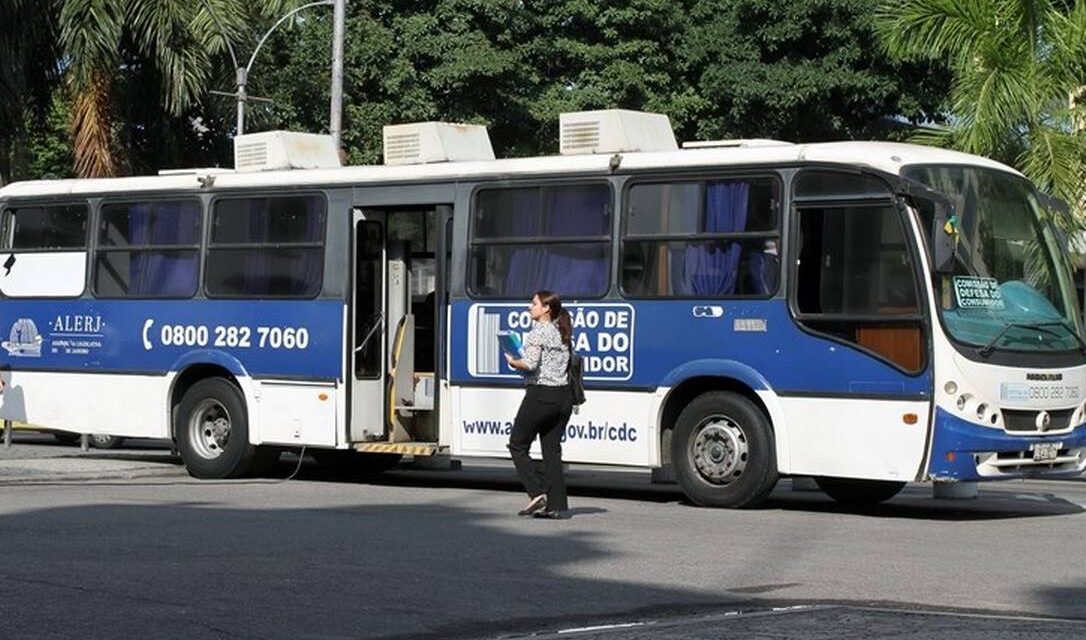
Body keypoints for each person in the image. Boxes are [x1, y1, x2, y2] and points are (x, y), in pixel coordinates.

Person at [504, 290, 573, 519]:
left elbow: (531, 364)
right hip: (563, 398)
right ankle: (556, 506)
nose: (528, 307)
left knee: (517, 444)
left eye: (533, 303)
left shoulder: (537, 333)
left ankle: (537, 492)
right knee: (552, 452)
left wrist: (514, 361)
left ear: (546, 309)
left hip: (541, 395)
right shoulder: (560, 331)